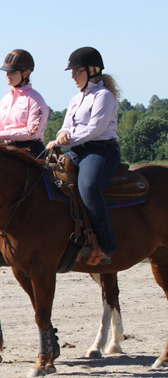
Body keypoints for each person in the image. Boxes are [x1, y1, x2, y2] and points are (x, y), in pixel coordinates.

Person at [46, 46, 121, 266]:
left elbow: (95, 130)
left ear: (92, 71)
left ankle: (105, 245)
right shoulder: (75, 99)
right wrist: (61, 135)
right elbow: (66, 126)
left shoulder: (104, 96)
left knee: (88, 187)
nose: (73, 76)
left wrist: (65, 141)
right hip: (77, 151)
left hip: (100, 150)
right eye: (72, 72)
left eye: (77, 71)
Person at [0, 49, 49, 158]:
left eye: (12, 72)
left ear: (25, 73)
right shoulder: (5, 99)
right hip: (7, 148)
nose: (8, 75)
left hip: (31, 151)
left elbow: (32, 132)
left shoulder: (36, 100)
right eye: (6, 72)